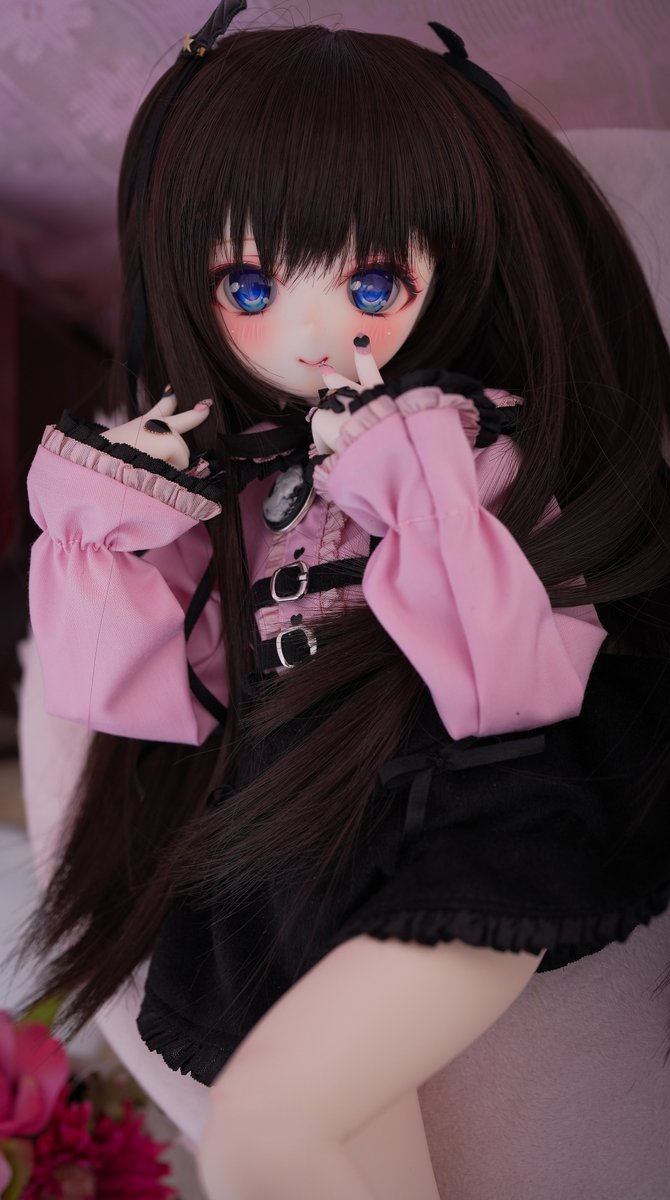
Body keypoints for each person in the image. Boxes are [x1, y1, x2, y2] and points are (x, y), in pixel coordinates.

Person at [18, 3, 670, 1197]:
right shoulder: (236, 487)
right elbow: (137, 696)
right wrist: (110, 523)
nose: (315, 331)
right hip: (284, 839)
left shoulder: (462, 449)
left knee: (266, 1125)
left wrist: (405, 477)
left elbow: (509, 680)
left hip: (466, 810)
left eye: (372, 279)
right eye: (252, 283)